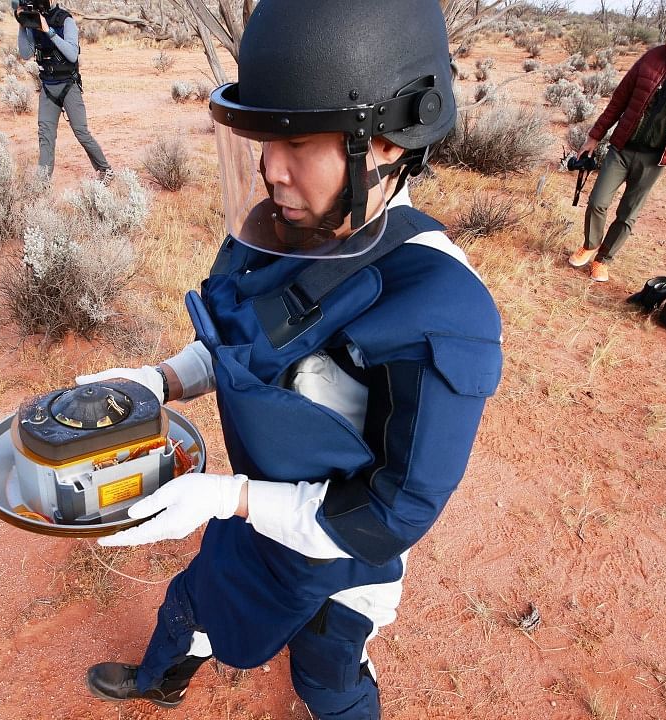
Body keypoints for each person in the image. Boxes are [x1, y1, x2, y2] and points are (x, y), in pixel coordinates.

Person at [73, 2, 502, 718]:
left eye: (297, 142)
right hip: (254, 515)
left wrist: (229, 497)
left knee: (327, 673)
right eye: (262, 140)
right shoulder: (284, 229)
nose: (270, 171)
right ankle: (161, 680)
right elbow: (241, 342)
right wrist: (163, 381)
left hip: (340, 560)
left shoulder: (441, 313)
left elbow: (387, 516)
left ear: (389, 143)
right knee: (194, 604)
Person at [569, 0, 666, 283]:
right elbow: (619, 99)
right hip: (622, 146)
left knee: (628, 213)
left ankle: (604, 259)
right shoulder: (653, 57)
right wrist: (595, 136)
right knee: (597, 201)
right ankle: (591, 244)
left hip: (657, 157)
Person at [11, 0, 111, 180]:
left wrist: (48, 30)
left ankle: (105, 170)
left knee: (81, 132)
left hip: (68, 86)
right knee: (45, 137)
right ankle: (42, 183)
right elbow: (26, 54)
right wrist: (22, 24)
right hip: (48, 88)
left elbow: (72, 54)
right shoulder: (34, 22)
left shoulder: (65, 20)